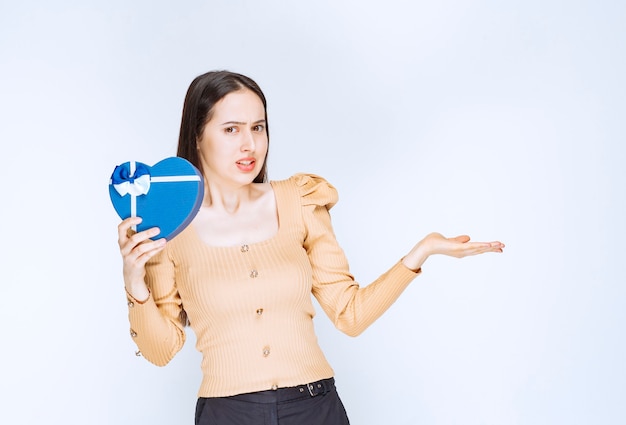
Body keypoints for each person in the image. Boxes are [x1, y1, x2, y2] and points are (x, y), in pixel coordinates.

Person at [117, 70, 505, 425]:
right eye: (231, 129)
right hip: (228, 413)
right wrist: (135, 282)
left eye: (258, 127)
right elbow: (161, 350)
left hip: (315, 407)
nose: (250, 144)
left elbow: (350, 315)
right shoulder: (169, 229)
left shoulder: (301, 201)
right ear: (198, 135)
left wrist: (418, 255)